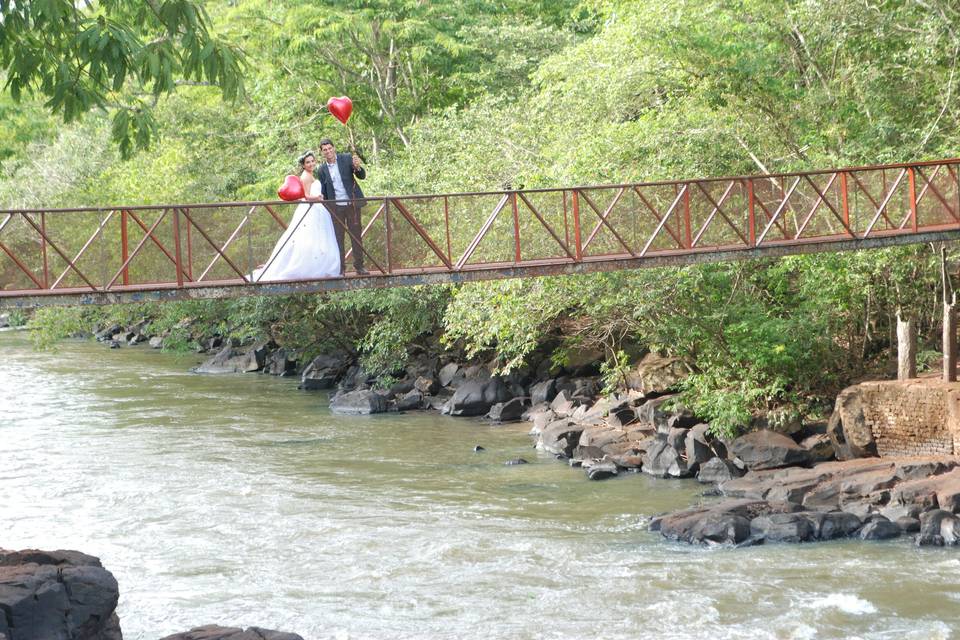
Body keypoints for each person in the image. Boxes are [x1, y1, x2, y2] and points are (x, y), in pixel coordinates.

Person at [251, 151, 341, 282]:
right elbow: (306, 196)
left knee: (319, 239)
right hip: (311, 209)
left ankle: (319, 266)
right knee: (306, 239)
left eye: (312, 161)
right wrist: (317, 197)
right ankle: (305, 268)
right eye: (308, 162)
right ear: (303, 165)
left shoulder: (311, 175)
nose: (311, 164)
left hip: (317, 209)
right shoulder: (305, 176)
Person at [314, 138, 367, 275]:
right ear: (321, 152)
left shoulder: (346, 158)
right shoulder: (321, 170)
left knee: (356, 236)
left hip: (352, 204)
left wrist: (358, 167)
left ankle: (359, 267)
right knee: (338, 239)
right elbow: (324, 192)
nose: (328, 151)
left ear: (334, 148)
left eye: (330, 148)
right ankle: (341, 269)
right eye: (325, 150)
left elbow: (361, 176)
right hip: (336, 208)